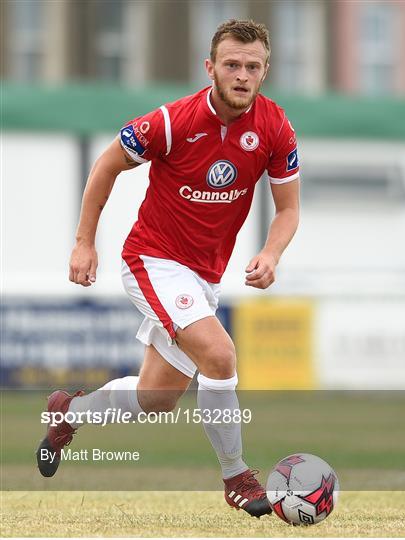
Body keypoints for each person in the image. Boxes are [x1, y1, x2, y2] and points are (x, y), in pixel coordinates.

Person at [37, 19, 300, 519]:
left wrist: (271, 253)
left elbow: (287, 209)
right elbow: (107, 164)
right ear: (211, 68)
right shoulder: (171, 121)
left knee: (154, 399)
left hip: (203, 277)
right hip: (152, 260)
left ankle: (67, 413)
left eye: (252, 66)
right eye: (231, 64)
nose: (241, 75)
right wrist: (83, 243)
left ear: (265, 71)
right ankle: (236, 476)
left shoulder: (276, 127)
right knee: (220, 357)